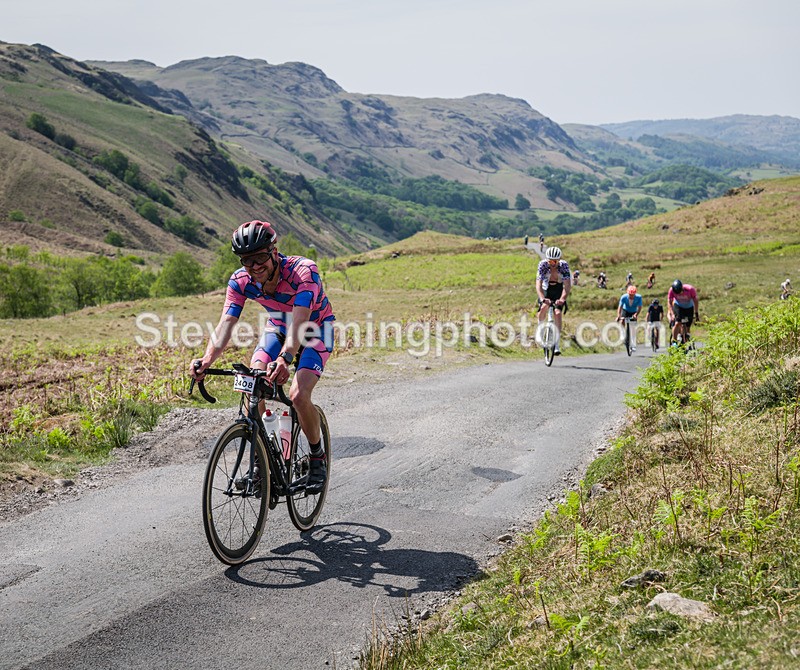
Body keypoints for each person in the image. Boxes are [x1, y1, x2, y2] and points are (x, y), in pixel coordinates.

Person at [190, 220, 335, 493]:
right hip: (278, 327)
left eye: (259, 258)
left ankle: (317, 458)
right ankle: (261, 463)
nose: (255, 267)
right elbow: (226, 323)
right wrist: (207, 359)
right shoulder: (240, 281)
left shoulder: (304, 272)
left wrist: (285, 358)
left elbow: (300, 322)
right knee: (251, 383)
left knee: (298, 395)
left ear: (274, 252)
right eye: (247, 260)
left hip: (315, 329)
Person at [535, 246, 571, 355]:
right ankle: (539, 330)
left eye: (555, 261)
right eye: (550, 261)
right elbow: (538, 284)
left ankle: (556, 343)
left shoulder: (564, 266)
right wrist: (542, 298)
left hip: (558, 289)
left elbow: (567, 286)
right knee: (544, 307)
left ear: (559, 260)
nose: (553, 264)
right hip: (546, 288)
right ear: (547, 260)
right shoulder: (543, 265)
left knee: (558, 313)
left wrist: (562, 299)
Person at [667, 279, 699, 345]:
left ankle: (685, 340)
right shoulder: (671, 290)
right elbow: (669, 302)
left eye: (680, 292)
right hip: (678, 306)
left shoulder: (690, 289)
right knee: (677, 323)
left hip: (689, 307)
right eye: (677, 293)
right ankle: (674, 342)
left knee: (687, 327)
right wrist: (672, 314)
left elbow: (696, 301)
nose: (679, 294)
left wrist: (696, 313)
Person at [617, 285, 643, 351]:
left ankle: (633, 344)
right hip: (625, 310)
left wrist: (636, 314)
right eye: (630, 295)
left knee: (633, 328)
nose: (631, 296)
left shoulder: (639, 297)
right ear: (627, 293)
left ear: (635, 294)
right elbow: (620, 307)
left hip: (633, 311)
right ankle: (622, 333)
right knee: (622, 321)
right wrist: (619, 316)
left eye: (632, 295)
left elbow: (639, 307)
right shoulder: (623, 297)